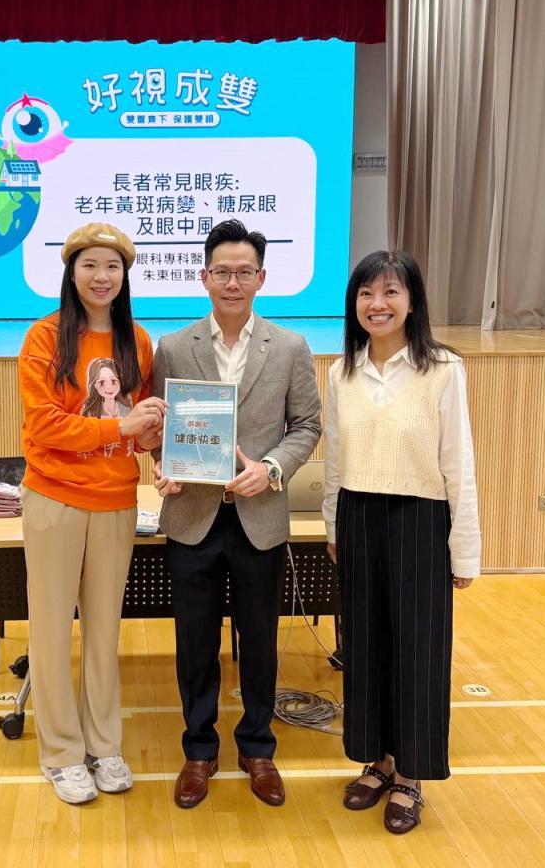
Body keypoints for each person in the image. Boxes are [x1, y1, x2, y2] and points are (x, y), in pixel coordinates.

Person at [152, 218, 322, 809]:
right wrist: (164, 463)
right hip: (192, 515)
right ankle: (199, 749)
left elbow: (308, 426)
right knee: (194, 641)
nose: (232, 282)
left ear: (261, 278)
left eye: (243, 272)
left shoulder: (291, 347)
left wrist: (270, 469)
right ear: (203, 276)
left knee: (260, 641)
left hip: (259, 516)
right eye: (222, 271)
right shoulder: (174, 347)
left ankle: (258, 747)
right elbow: (159, 430)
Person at [320, 250, 481, 834]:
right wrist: (334, 526)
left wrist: (464, 549)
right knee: (363, 647)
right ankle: (378, 761)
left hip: (420, 519)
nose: (377, 304)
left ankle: (411, 775)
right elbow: (334, 459)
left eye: (391, 292)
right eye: (366, 293)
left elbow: (458, 463)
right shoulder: (342, 372)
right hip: (358, 517)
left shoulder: (442, 369)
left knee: (418, 651)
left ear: (412, 301)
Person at [18, 223, 166, 805]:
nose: (102, 277)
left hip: (116, 501)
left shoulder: (138, 341)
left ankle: (104, 745)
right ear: (71, 272)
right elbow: (44, 425)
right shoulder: (44, 337)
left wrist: (160, 437)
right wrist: (121, 427)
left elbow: (141, 428)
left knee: (104, 631)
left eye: (112, 266)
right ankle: (60, 753)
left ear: (124, 275)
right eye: (90, 265)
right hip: (54, 498)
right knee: (52, 630)